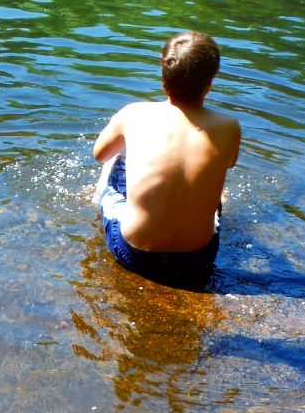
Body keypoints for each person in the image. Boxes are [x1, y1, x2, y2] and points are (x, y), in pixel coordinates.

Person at [92, 31, 240, 286]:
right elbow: (229, 163)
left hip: (135, 255)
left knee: (114, 159)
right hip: (198, 260)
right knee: (210, 183)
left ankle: (99, 196)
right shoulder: (229, 126)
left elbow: (99, 154)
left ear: (163, 78)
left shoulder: (134, 114)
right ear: (210, 83)